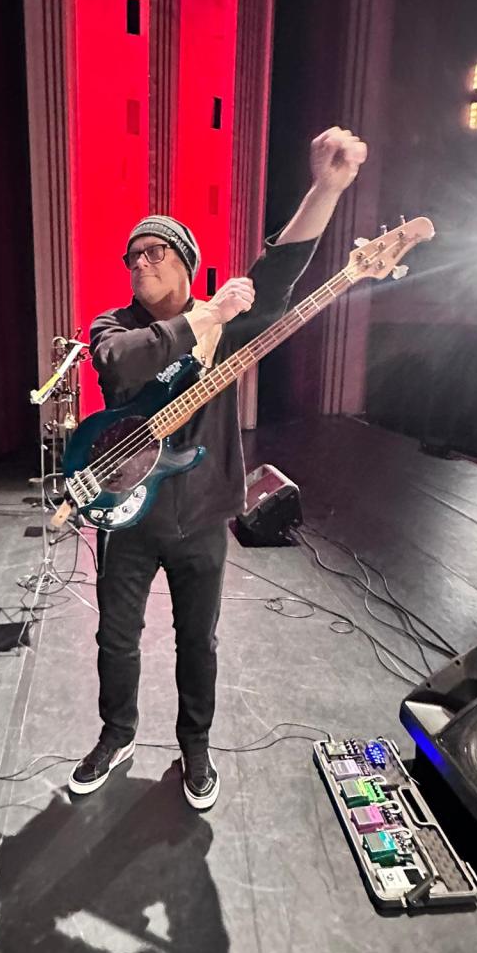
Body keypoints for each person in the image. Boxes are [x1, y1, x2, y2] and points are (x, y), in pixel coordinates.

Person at [68, 126, 367, 809]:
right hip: (127, 516)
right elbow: (121, 365)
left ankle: (195, 746)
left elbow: (278, 274)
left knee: (197, 643)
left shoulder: (229, 323)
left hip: (202, 514)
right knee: (116, 637)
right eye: (132, 254)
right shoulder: (114, 326)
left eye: (155, 251)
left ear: (186, 262)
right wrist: (203, 322)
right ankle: (116, 735)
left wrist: (325, 189)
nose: (140, 262)